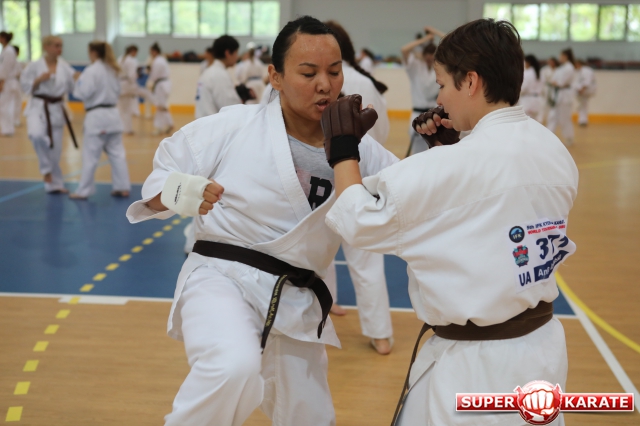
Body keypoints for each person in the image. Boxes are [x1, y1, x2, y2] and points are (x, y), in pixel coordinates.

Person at [126, 16, 397, 426]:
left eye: (334, 71)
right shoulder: (234, 126)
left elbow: (413, 192)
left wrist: (441, 149)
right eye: (309, 73)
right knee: (231, 367)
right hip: (222, 278)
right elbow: (161, 175)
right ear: (275, 76)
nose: (325, 84)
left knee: (311, 417)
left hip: (297, 298)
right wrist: (183, 191)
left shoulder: (357, 149)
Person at [323, 18, 577, 425]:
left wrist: (342, 150)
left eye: (442, 84)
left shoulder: (451, 167)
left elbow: (358, 221)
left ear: (471, 81)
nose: (439, 96)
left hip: (474, 369)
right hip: (541, 351)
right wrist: (450, 149)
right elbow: (485, 211)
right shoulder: (552, 148)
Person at [323, 20, 393, 354]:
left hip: (322, 171)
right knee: (365, 259)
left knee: (316, 248)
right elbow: (383, 128)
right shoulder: (363, 81)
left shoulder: (305, 78)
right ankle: (380, 334)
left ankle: (326, 303)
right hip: (362, 168)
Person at [69, 41, 131, 200]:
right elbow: (118, 91)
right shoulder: (114, 69)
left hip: (97, 118)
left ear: (94, 53)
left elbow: (83, 93)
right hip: (113, 116)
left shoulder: (91, 70)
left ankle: (83, 191)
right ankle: (122, 187)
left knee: (90, 157)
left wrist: (78, 80)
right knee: (118, 155)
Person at [20, 35, 78, 193]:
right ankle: (46, 169)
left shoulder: (64, 66)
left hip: (57, 108)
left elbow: (74, 85)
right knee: (35, 134)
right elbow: (24, 86)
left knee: (55, 151)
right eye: (56, 45)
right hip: (38, 106)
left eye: (61, 46)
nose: (60, 49)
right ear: (46, 47)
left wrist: (80, 78)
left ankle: (55, 184)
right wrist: (38, 80)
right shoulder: (34, 66)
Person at [401, 26, 445, 155]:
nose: (429, 59)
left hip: (436, 113)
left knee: (438, 151)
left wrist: (435, 31)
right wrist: (426, 39)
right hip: (417, 113)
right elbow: (404, 49)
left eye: (432, 56)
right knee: (417, 153)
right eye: (427, 56)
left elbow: (452, 42)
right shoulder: (415, 67)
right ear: (424, 55)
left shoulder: (441, 68)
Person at [194, 35, 244, 119]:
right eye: (236, 53)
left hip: (203, 121)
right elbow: (230, 107)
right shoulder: (220, 75)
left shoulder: (208, 72)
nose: (237, 57)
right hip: (212, 123)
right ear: (228, 53)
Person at [547, 48, 576, 146]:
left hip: (565, 96)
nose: (559, 58)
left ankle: (569, 138)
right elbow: (553, 80)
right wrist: (554, 82)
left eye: (561, 56)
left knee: (564, 118)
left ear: (566, 56)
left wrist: (555, 83)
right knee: (552, 116)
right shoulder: (561, 68)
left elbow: (561, 83)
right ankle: (548, 137)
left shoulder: (569, 67)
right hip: (557, 95)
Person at [147, 42, 173, 135]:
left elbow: (154, 76)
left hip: (161, 85)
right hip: (163, 84)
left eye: (151, 52)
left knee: (160, 107)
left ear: (155, 51)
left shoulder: (157, 61)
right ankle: (168, 124)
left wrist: (148, 72)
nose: (150, 54)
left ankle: (159, 127)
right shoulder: (162, 59)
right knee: (161, 106)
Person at [0, 31, 19, 136]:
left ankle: (7, 129)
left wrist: (2, 81)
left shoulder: (8, 51)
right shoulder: (6, 50)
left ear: (3, 38)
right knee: (6, 106)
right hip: (7, 81)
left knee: (4, 106)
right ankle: (7, 128)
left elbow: (5, 68)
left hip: (8, 81)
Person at [118, 45, 139, 134]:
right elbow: (131, 75)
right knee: (127, 109)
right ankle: (127, 129)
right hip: (127, 85)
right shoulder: (131, 60)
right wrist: (134, 86)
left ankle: (121, 128)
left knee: (120, 109)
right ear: (133, 51)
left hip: (119, 84)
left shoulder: (120, 59)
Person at [520, 54, 543, 120]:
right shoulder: (540, 73)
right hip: (538, 99)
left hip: (527, 100)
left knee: (526, 121)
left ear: (528, 62)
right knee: (536, 121)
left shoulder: (527, 73)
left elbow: (523, 88)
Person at [574, 59, 596, 127]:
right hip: (583, 90)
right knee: (582, 106)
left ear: (579, 64)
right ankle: (582, 120)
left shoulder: (586, 70)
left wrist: (582, 89)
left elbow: (587, 81)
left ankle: (583, 120)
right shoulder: (582, 71)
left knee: (583, 106)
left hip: (585, 91)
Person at [538, 57, 557, 124]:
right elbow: (541, 80)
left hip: (554, 88)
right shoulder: (544, 70)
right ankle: (540, 118)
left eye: (552, 62)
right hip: (546, 87)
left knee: (552, 105)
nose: (551, 63)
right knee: (543, 104)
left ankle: (550, 119)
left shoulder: (557, 69)